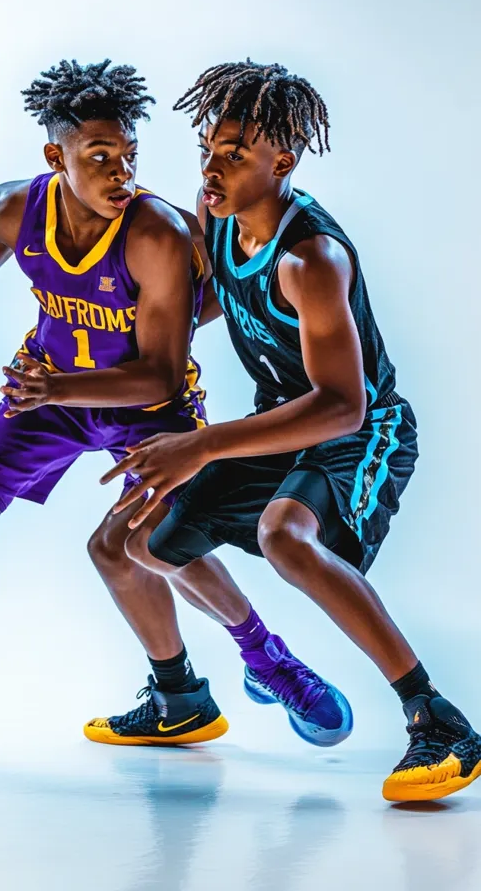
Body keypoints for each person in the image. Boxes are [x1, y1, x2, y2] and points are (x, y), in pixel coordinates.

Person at [0, 60, 349, 771]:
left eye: (129, 156)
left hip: (143, 404)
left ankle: (266, 658)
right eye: (100, 157)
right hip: (48, 397)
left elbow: (158, 371)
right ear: (55, 157)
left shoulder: (156, 232)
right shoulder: (11, 209)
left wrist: (57, 388)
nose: (121, 172)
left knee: (154, 540)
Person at [100, 60, 481, 803]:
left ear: (283, 162)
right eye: (207, 149)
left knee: (285, 536)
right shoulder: (216, 214)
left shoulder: (312, 259)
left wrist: (203, 444)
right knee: (138, 539)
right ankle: (214, 684)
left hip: (361, 428)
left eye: (234, 153)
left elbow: (343, 404)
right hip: (280, 419)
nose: (211, 168)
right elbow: (221, 297)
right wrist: (134, 349)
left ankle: (436, 719)